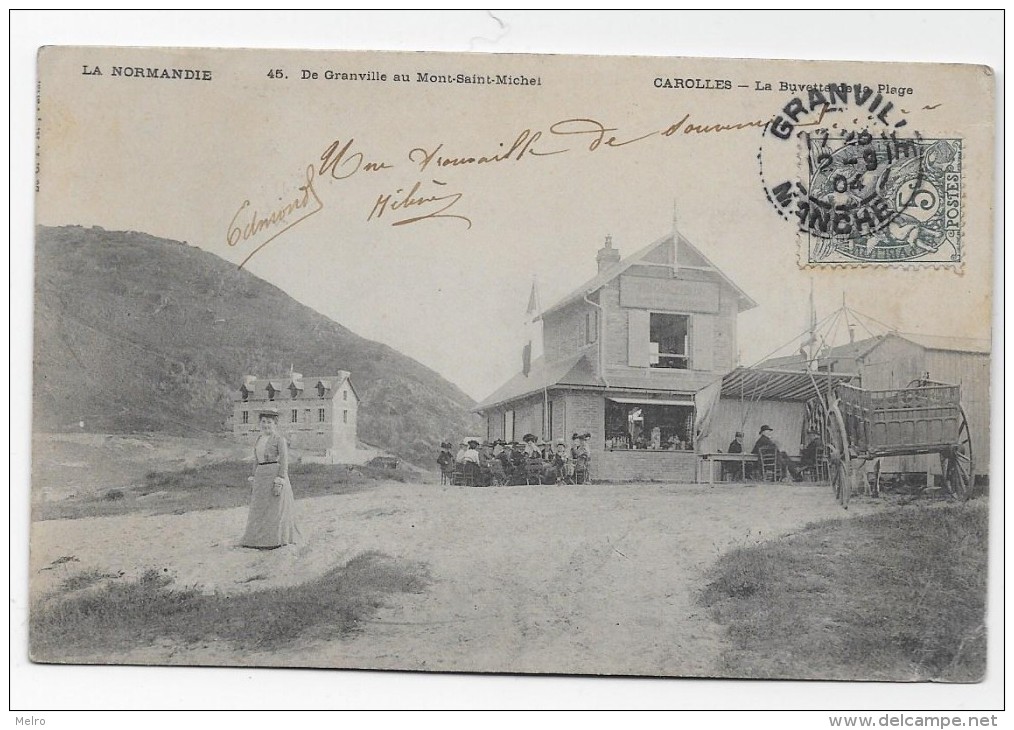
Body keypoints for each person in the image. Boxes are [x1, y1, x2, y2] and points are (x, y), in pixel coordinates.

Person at [242, 408, 300, 548]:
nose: (266, 425)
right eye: (263, 422)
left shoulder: (279, 439)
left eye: (269, 422)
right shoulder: (259, 439)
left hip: (274, 474)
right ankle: (255, 540)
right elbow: (256, 459)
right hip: (261, 476)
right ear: (259, 423)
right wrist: (253, 476)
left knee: (274, 509)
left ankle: (273, 541)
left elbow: (284, 461)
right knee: (258, 507)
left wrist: (279, 480)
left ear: (275, 424)